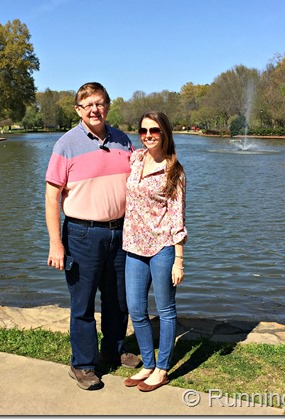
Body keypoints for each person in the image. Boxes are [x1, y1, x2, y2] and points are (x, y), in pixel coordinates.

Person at [45, 82, 141, 391]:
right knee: (83, 303)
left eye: (99, 104)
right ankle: (83, 364)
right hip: (82, 234)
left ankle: (114, 349)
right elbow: (51, 199)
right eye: (87, 105)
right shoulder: (65, 145)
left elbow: (143, 180)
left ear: (108, 106)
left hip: (121, 232)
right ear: (78, 110)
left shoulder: (124, 141)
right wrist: (56, 244)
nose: (94, 110)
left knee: (118, 299)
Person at [122, 111, 188, 392]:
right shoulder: (135, 159)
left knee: (165, 309)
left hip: (162, 248)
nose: (148, 135)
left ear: (165, 133)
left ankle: (162, 370)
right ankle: (148, 363)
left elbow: (177, 217)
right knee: (136, 309)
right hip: (133, 246)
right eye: (143, 131)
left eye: (155, 131)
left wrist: (179, 261)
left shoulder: (175, 171)